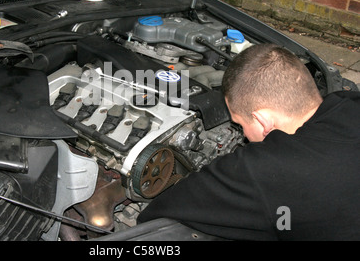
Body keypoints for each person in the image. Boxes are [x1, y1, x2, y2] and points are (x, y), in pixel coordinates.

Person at [137, 44, 360, 240]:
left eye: (241, 125)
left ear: (263, 121)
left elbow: (160, 211)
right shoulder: (350, 103)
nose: (243, 135)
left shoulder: (266, 171)